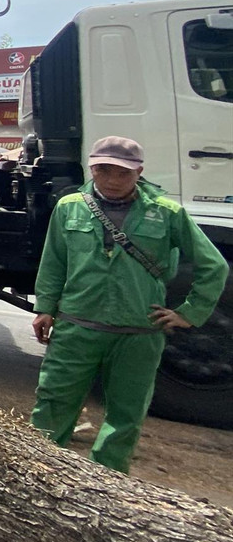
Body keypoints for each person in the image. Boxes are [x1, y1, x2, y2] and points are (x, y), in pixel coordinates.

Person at [30, 136, 228, 473]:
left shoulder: (167, 214)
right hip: (77, 327)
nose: (111, 179)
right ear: (91, 168)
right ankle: (39, 474)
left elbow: (215, 266)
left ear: (139, 172)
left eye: (122, 172)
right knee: (52, 404)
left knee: (126, 414)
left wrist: (190, 313)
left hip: (138, 332)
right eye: (102, 170)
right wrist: (45, 307)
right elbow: (54, 263)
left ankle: (107, 482)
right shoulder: (70, 207)